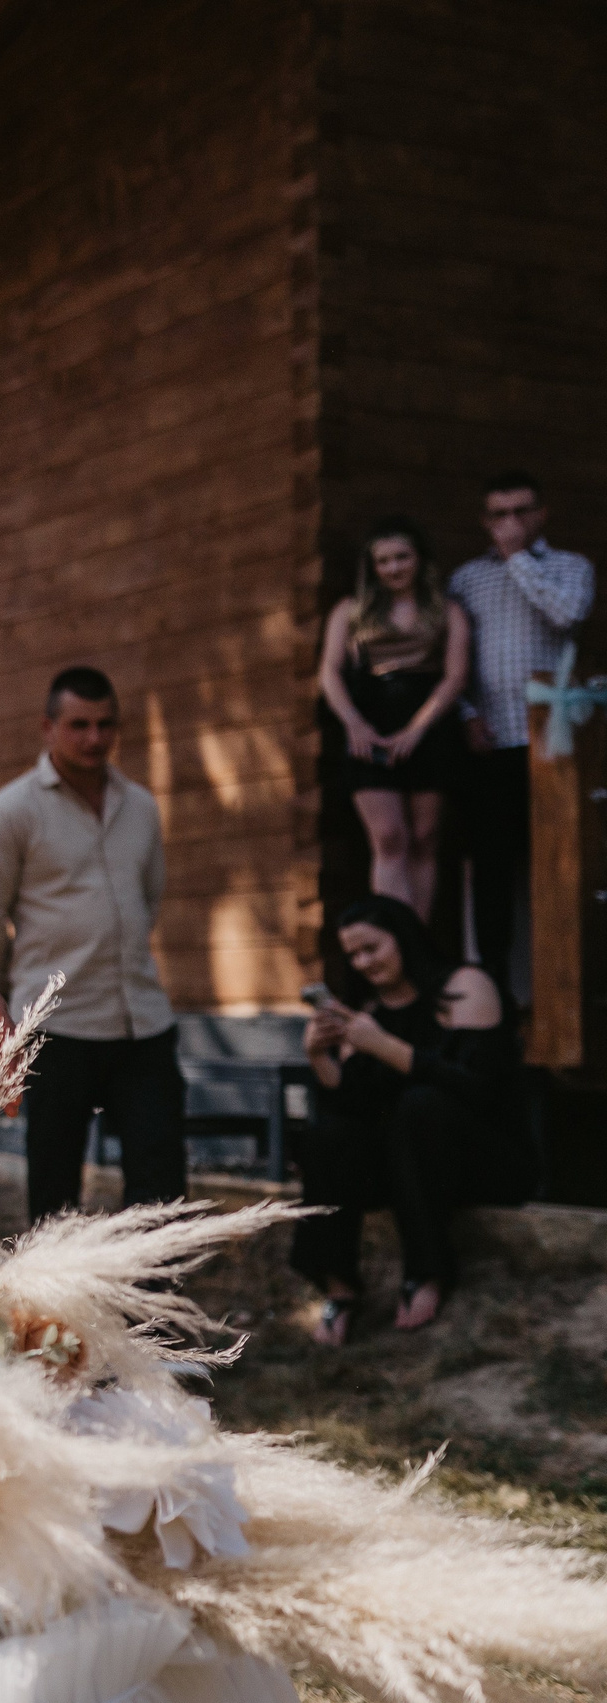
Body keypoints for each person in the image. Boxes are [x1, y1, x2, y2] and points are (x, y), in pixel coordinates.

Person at [0, 667, 185, 1224]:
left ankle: (153, 1303)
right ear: (48, 727)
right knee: (55, 1188)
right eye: (79, 725)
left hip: (143, 1021)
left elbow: (149, 897)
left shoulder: (141, 806)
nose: (94, 738)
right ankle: (57, 1306)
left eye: (105, 724)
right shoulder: (12, 811)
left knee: (161, 1180)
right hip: (57, 1025)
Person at [294, 896, 517, 1344]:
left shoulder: (465, 986)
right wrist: (318, 1055)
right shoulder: (369, 1016)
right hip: (403, 1168)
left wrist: (384, 1047)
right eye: (353, 955)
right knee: (327, 1136)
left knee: (421, 1105)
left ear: (403, 936)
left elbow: (477, 1089)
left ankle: (426, 1273)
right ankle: (339, 1288)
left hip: (482, 1156)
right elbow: (352, 1110)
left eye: (372, 948)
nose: (363, 963)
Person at [448, 472, 593, 998]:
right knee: (491, 871)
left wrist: (517, 561)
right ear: (485, 521)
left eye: (520, 511)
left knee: (556, 864)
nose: (510, 524)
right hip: (490, 746)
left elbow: (566, 615)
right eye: (498, 515)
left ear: (541, 514)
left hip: (552, 746)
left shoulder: (570, 567)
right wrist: (465, 714)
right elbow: (450, 658)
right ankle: (494, 994)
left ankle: (561, 992)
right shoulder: (465, 579)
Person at [317, 518, 470, 915]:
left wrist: (417, 730)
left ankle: (417, 943)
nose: (394, 568)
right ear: (372, 567)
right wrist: (354, 723)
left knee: (425, 837)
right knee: (388, 837)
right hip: (370, 722)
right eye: (383, 561)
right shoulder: (350, 611)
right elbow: (329, 673)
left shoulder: (446, 610)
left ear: (419, 559)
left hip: (428, 726)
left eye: (402, 557)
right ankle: (395, 939)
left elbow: (455, 676)